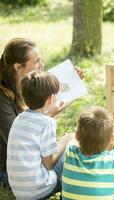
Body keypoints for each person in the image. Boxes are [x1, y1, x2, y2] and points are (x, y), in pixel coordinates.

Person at [0, 38, 84, 187]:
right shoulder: (3, 98)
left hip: (34, 162)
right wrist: (50, 117)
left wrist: (72, 79)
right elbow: (21, 138)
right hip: (14, 170)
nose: (42, 66)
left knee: (75, 146)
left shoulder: (29, 86)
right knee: (74, 151)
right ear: (18, 67)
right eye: (37, 62)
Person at [6, 71, 74, 200]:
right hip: (40, 191)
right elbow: (49, 164)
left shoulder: (19, 118)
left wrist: (50, 114)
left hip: (19, 192)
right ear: (50, 99)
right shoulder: (46, 123)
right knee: (70, 148)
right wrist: (65, 140)